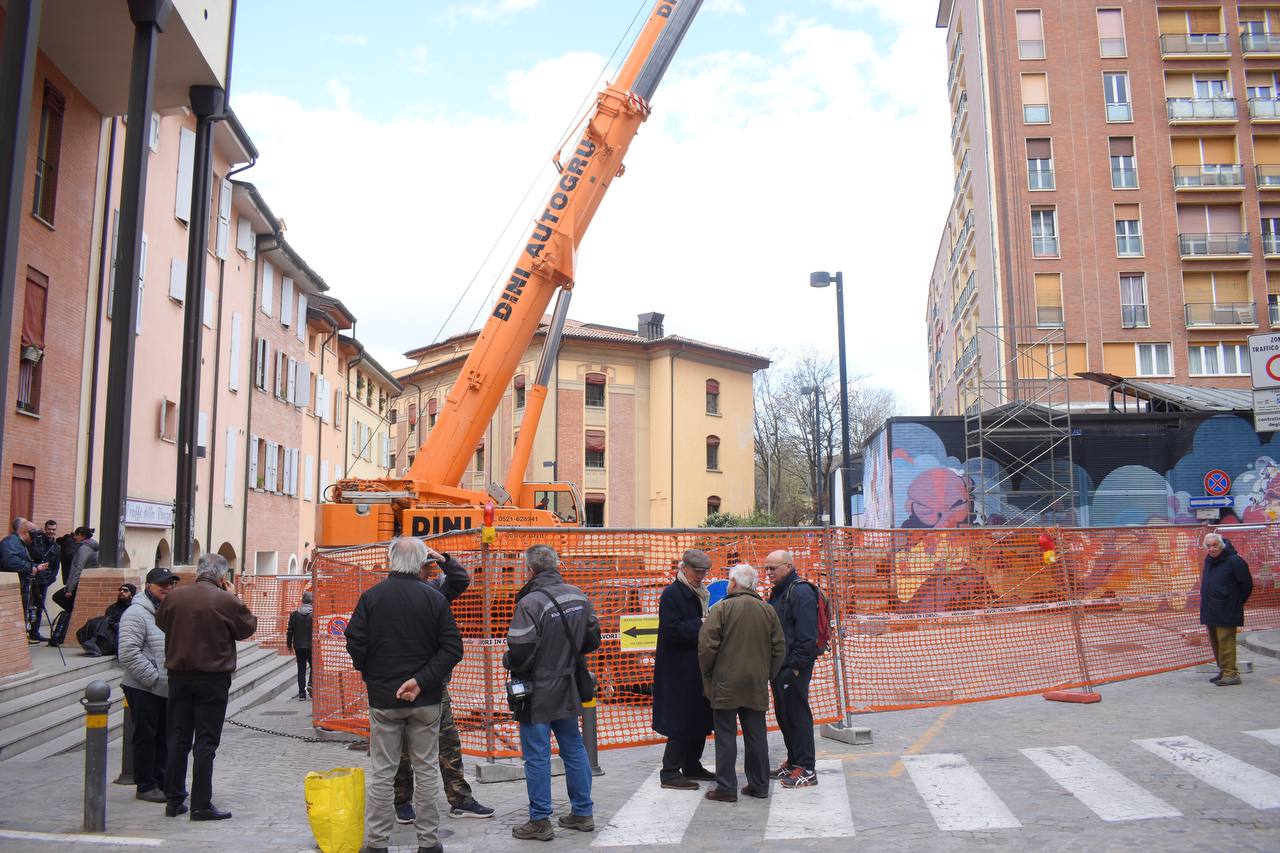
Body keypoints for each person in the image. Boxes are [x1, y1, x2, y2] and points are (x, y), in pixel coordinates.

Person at [345, 536, 463, 853]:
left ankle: (377, 843)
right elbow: (453, 648)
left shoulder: (371, 597)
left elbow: (354, 641)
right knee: (426, 771)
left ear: (390, 561)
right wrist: (421, 681)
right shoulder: (434, 598)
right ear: (423, 563)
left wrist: (372, 674)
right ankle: (428, 842)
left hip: (384, 698)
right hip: (425, 700)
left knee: (383, 774)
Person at [392, 543, 495, 823]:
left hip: (433, 684)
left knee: (447, 743)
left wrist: (443, 558)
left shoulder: (437, 590)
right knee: (401, 749)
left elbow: (461, 579)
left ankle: (460, 799)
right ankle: (402, 801)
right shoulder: (391, 593)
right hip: (398, 684)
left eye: (431, 566)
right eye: (426, 565)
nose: (430, 570)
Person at [505, 544, 600, 841]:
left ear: (530, 570)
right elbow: (592, 638)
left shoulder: (530, 603)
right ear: (556, 565)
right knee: (574, 748)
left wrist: (510, 661)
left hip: (536, 691)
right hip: (568, 685)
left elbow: (519, 652)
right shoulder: (577, 594)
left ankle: (540, 821)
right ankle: (583, 813)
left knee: (537, 755)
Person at [156, 553, 257, 821]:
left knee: (177, 738)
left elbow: (162, 623)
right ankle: (201, 803)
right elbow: (247, 628)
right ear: (223, 577)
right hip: (212, 678)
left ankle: (174, 799)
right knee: (205, 741)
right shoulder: (225, 600)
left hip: (178, 675)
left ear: (198, 572)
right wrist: (235, 597)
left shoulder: (174, 598)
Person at [698, 563, 785, 802]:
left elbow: (707, 647)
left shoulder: (722, 609)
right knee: (756, 734)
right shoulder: (767, 610)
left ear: (734, 583)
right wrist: (768, 674)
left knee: (726, 735)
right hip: (755, 682)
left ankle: (726, 788)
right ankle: (759, 785)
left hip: (725, 682)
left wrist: (708, 675)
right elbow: (779, 647)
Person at [651, 548, 716, 790]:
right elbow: (670, 630)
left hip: (696, 667)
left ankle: (691, 764)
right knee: (680, 720)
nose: (701, 576)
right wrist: (700, 624)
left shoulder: (700, 593)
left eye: (704, 572)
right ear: (684, 568)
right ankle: (670, 771)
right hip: (678, 669)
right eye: (697, 572)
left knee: (698, 717)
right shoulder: (672, 594)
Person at [118, 568, 180, 803]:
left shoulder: (166, 610)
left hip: (163, 685)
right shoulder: (136, 613)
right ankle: (145, 784)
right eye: (162, 584)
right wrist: (153, 678)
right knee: (146, 736)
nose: (167, 588)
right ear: (149, 585)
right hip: (143, 686)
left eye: (171, 584)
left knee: (163, 736)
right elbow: (128, 653)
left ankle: (161, 781)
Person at [764, 549, 820, 788]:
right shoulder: (779, 592)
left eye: (773, 568)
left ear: (788, 566)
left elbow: (807, 638)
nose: (768, 573)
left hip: (792, 667)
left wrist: (795, 668)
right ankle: (794, 761)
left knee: (797, 716)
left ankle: (807, 768)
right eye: (766, 568)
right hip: (780, 667)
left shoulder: (801, 592)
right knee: (785, 716)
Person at [1200, 532, 1253, 687]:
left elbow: (1246, 585)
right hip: (1211, 608)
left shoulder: (1235, 561)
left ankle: (1231, 674)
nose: (1211, 548)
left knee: (1226, 642)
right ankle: (1224, 671)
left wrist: (1235, 602)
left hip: (1227, 609)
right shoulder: (1209, 561)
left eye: (1215, 545)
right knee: (1216, 642)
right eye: (1208, 546)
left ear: (1221, 545)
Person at [2, 518, 47, 638]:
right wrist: (30, 568)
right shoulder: (10, 542)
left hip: (21, 589)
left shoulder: (21, 544)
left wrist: (35, 567)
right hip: (11, 592)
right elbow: (9, 561)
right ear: (25, 532)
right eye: (33, 534)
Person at [77, 583, 135, 657]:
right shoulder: (112, 608)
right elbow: (109, 623)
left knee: (110, 622)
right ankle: (92, 641)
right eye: (120, 590)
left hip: (127, 636)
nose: (121, 592)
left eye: (125, 590)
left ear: (131, 594)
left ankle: (93, 642)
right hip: (110, 637)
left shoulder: (134, 608)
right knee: (99, 621)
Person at [25, 519, 58, 641]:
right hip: (31, 577)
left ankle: (35, 632)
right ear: (45, 529)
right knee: (27, 605)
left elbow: (55, 566)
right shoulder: (36, 541)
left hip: (44, 582)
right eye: (49, 529)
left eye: (53, 529)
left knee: (39, 607)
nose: (51, 531)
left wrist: (50, 579)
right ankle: (25, 630)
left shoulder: (56, 547)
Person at [286, 592, 314, 701]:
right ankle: (311, 684)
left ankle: (302, 693)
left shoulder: (294, 614)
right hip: (312, 646)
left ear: (302, 601)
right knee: (314, 667)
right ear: (312, 601)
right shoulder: (315, 614)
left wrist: (289, 644)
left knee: (301, 669)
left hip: (298, 645)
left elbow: (290, 630)